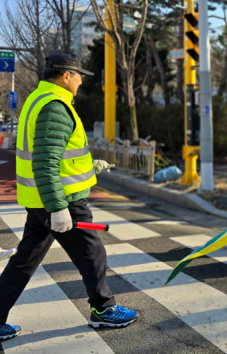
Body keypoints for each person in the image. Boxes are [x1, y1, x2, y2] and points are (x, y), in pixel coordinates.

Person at [0, 53, 138, 343]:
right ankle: (103, 309)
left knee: (26, 258)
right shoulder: (55, 106)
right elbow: (46, 161)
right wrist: (59, 207)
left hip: (42, 200)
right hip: (61, 201)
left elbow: (59, 156)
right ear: (66, 76)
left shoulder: (38, 100)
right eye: (78, 75)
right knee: (92, 252)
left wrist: (90, 167)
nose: (80, 80)